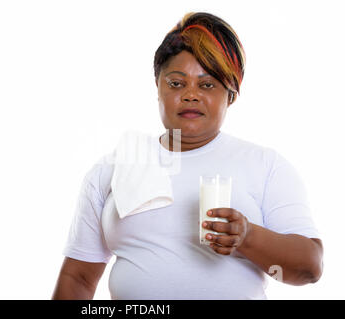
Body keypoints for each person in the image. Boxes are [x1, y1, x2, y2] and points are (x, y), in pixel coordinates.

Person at [52, 12, 323, 300]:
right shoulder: (114, 168)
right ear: (158, 87)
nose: (190, 95)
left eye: (207, 85)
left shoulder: (265, 165)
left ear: (230, 95)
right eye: (176, 83)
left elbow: (309, 267)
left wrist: (247, 237)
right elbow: (78, 277)